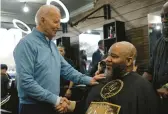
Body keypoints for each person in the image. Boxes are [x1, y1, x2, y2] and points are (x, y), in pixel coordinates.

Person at [13, 5, 104, 114]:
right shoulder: (26, 44)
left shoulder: (52, 45)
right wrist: (56, 99)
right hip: (33, 107)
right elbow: (25, 82)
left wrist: (89, 80)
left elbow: (67, 70)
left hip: (52, 104)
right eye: (56, 22)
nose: (58, 26)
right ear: (43, 20)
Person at [69, 41, 160, 114]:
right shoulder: (99, 80)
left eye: (114, 56)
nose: (107, 59)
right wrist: (70, 105)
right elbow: (86, 105)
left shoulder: (143, 87)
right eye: (108, 55)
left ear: (128, 61)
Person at [143, 2, 168, 114]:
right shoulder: (159, 43)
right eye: (162, 16)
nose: (163, 20)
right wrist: (137, 84)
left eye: (167, 16)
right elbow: (149, 70)